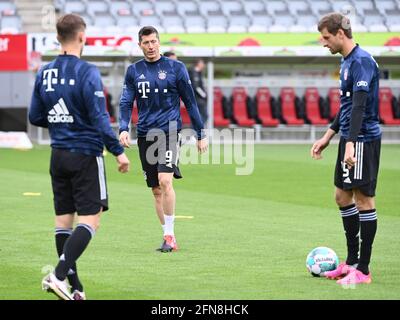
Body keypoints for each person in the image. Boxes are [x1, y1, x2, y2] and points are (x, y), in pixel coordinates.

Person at [29, 13, 130, 300]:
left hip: (57, 155)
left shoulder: (44, 72)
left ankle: (76, 287)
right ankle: (58, 276)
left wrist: (62, 121)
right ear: (82, 38)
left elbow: (35, 116)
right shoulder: (87, 72)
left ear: (58, 38)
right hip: (85, 154)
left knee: (63, 222)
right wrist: (118, 152)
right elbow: (100, 119)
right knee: (91, 219)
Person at [119, 26, 208, 253]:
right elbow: (126, 102)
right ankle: (168, 234)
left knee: (165, 180)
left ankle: (170, 237)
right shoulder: (133, 71)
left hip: (169, 131)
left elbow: (190, 102)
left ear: (159, 42)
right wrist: (123, 128)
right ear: (139, 45)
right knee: (156, 189)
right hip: (145, 133)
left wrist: (200, 133)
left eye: (153, 42)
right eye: (146, 43)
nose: (150, 46)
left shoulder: (175, 68)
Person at [311, 13, 381, 285]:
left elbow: (361, 107)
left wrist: (350, 142)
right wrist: (329, 135)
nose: (323, 43)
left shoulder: (362, 61)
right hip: (350, 138)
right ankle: (351, 261)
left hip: (363, 139)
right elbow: (347, 106)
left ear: (341, 33)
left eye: (326, 37)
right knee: (342, 196)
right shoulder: (347, 62)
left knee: (363, 200)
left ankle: (363, 270)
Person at [188, 58, 208, 124]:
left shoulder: (198, 73)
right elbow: (196, 87)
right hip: (197, 99)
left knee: (199, 116)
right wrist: (204, 95)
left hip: (197, 98)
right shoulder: (194, 72)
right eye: (202, 63)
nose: (203, 65)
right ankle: (196, 130)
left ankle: (196, 130)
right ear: (198, 64)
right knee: (204, 116)